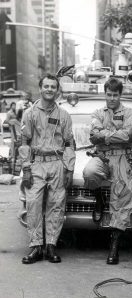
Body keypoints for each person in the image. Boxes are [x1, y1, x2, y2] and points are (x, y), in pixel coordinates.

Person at [19, 74, 76, 264]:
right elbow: (24, 141)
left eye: (53, 87)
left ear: (57, 90)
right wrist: (26, 168)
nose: (50, 89)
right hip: (37, 164)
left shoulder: (64, 115)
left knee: (56, 205)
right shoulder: (30, 113)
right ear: (40, 88)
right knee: (33, 204)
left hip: (57, 164)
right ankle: (36, 247)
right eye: (46, 86)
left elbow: (69, 143)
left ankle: (51, 245)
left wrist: (69, 168)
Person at [83, 77, 132, 265]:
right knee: (89, 173)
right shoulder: (98, 112)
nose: (112, 98)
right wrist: (116, 136)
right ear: (104, 94)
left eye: (115, 95)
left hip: (123, 157)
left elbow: (129, 135)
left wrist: (104, 136)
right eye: (109, 94)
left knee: (121, 197)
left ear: (120, 95)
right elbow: (93, 135)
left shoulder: (130, 113)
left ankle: (114, 247)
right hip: (102, 157)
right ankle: (99, 197)